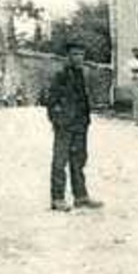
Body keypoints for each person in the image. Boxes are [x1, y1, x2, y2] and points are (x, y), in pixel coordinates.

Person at [44, 43, 102, 212]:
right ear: (68, 56)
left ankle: (81, 197)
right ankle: (57, 198)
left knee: (79, 161)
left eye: (82, 55)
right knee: (60, 161)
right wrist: (58, 121)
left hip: (80, 124)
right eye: (75, 54)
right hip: (65, 125)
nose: (79, 58)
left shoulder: (81, 75)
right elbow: (51, 101)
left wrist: (85, 120)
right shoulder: (60, 76)